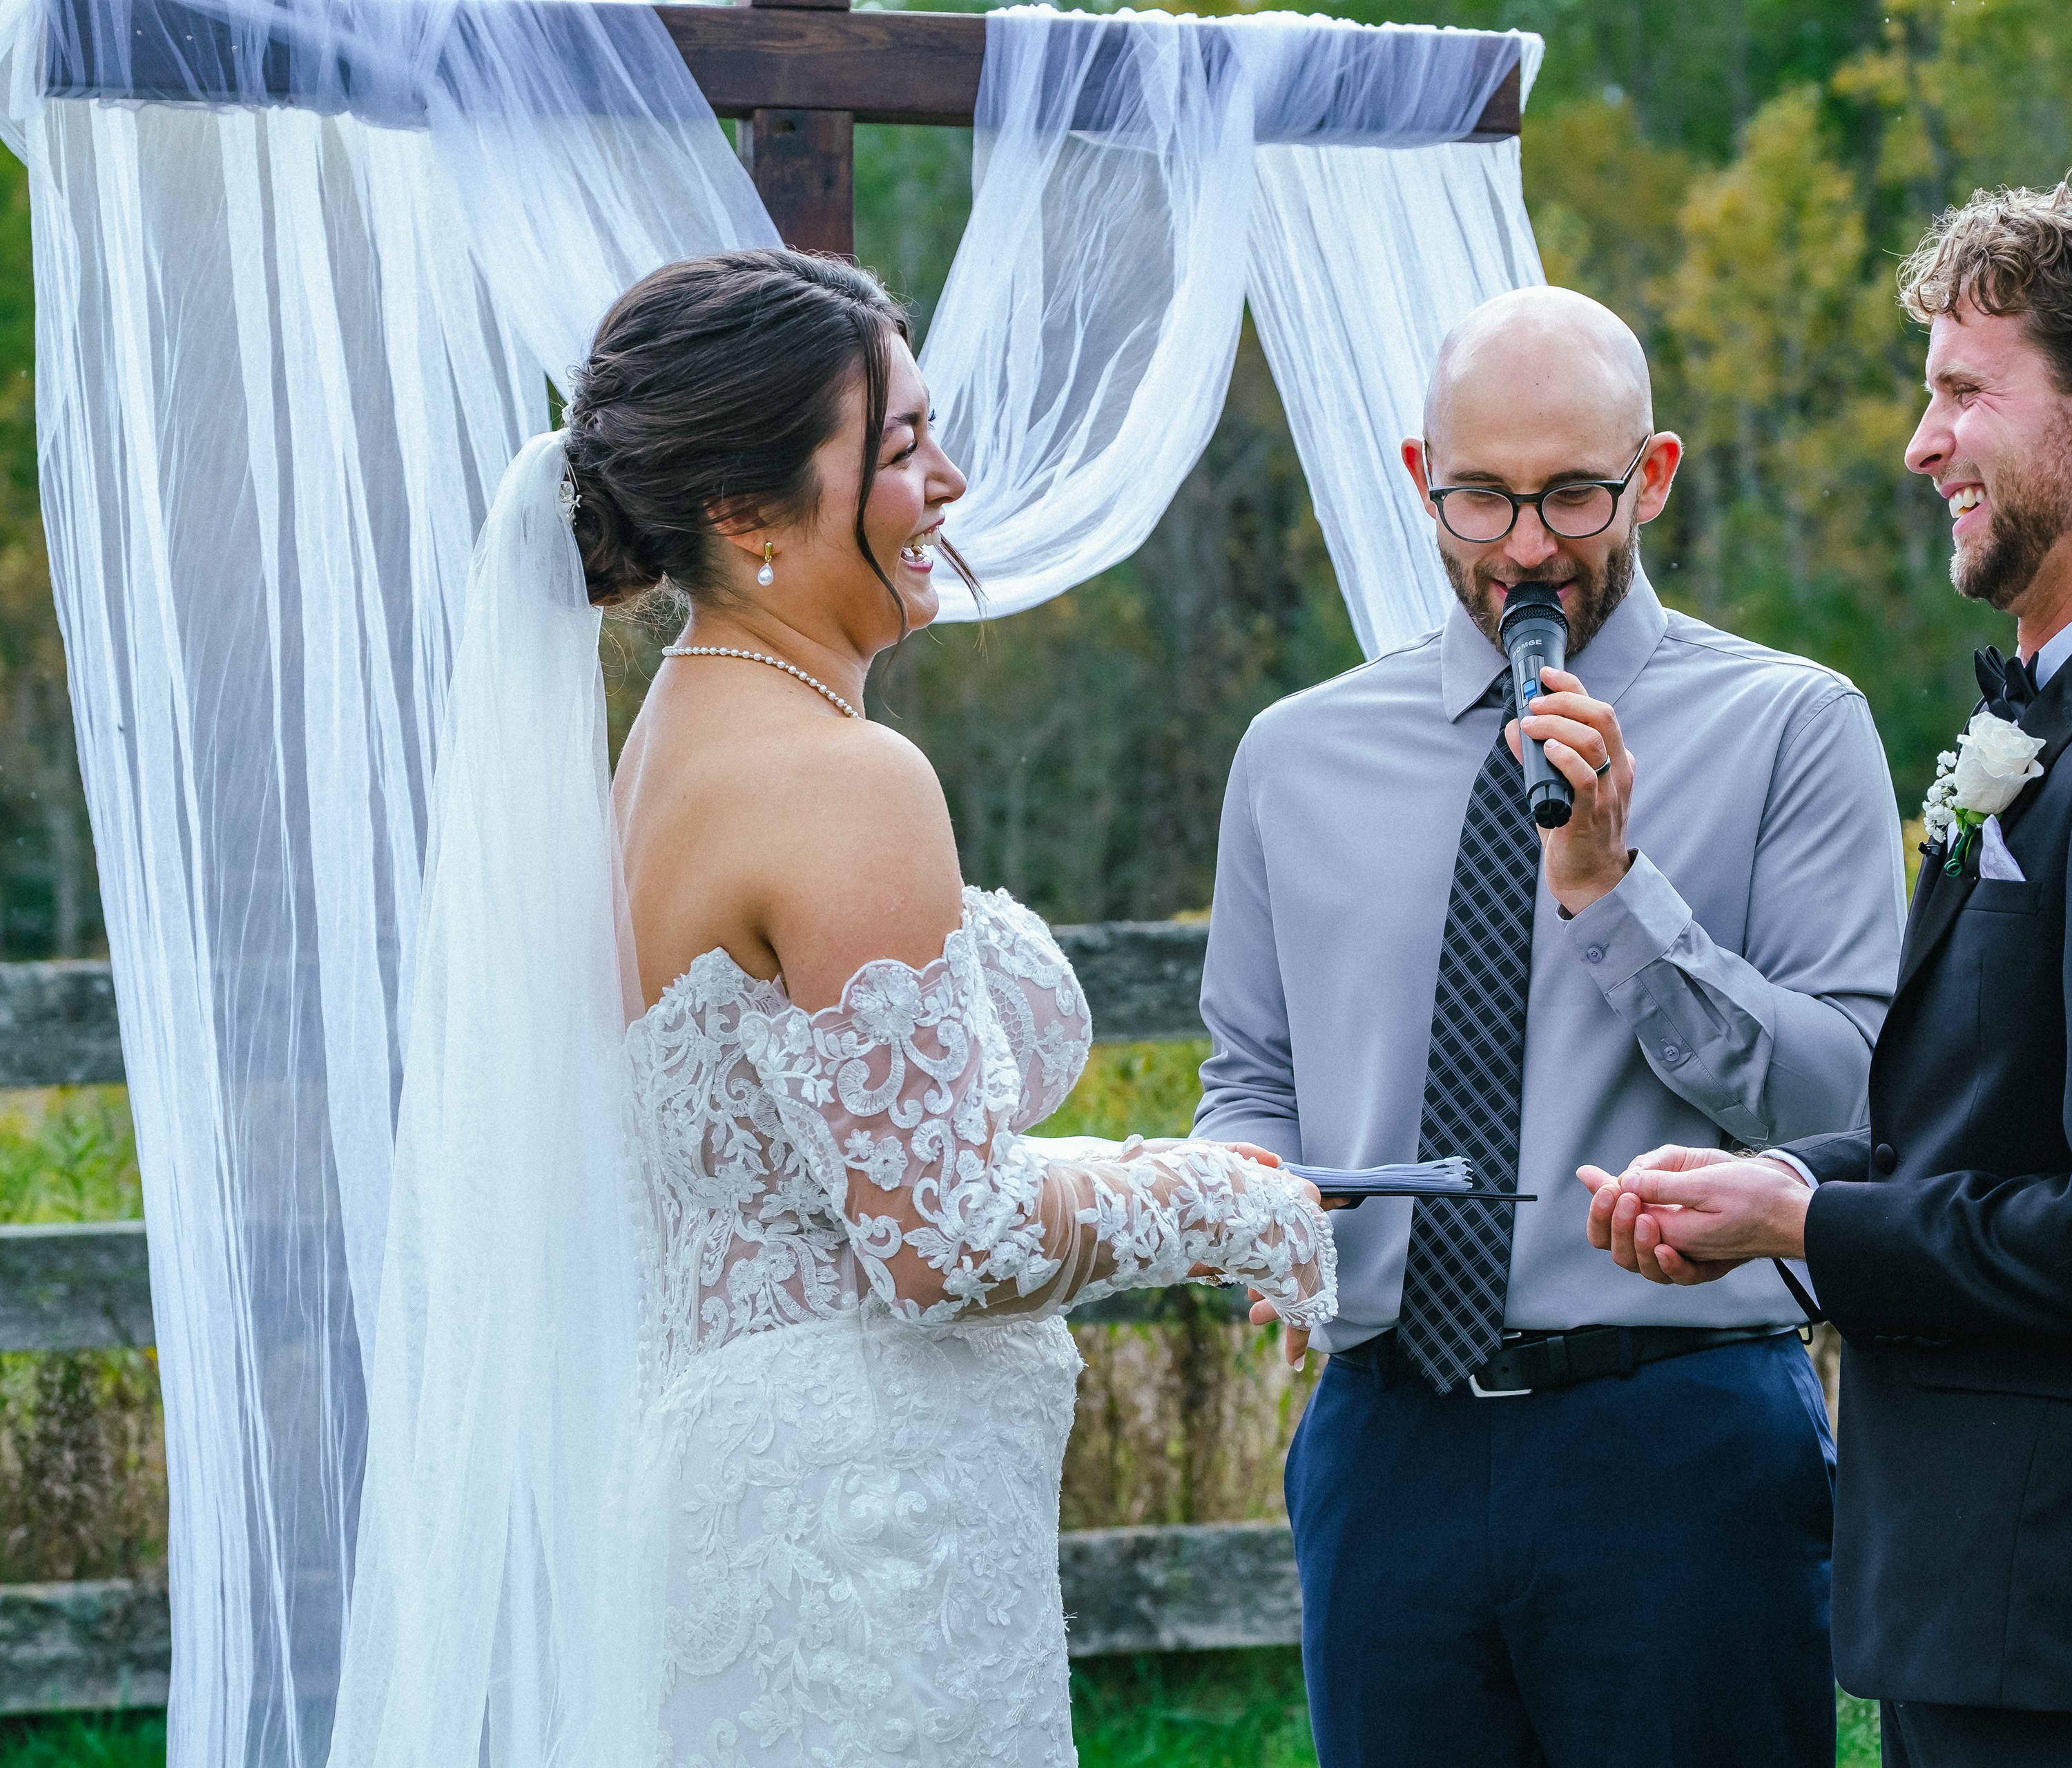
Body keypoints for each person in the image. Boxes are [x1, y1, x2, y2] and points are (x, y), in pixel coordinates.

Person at [1584, 165, 2072, 1768]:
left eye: (1964, 392)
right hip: (1992, 1611)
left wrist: (1807, 1227)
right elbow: (1991, 1126)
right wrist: (1780, 1177)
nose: (1923, 445)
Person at [565, 249, 1337, 1765]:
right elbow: (943, 1242)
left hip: (737, 1492)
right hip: (868, 1538)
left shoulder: (666, 749)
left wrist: (1129, 1166)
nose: (953, 483)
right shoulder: (837, 778)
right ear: (746, 510)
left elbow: (836, 1176)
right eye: (904, 446)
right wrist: (1230, 1203)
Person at [1198, 285, 1908, 1767]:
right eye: (1482, 497)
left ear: (1654, 475)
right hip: (1385, 1444)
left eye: (1574, 494)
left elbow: (1848, 1098)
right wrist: (1247, 1198)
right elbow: (1252, 1078)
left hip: (1682, 1442)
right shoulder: (1294, 754)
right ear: (1421, 479)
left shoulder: (1793, 725)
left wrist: (1611, 888)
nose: (1526, 546)